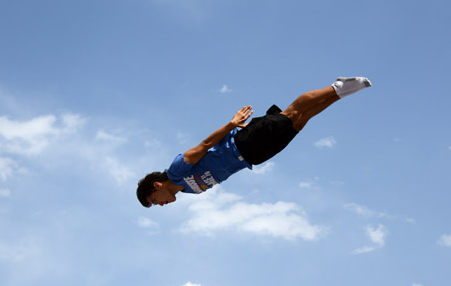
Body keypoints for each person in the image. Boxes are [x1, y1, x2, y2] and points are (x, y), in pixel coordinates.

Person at [137, 77, 371, 207]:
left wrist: (232, 124)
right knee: (300, 123)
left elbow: (205, 145)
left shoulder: (177, 171)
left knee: (291, 114)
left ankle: (335, 87)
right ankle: (339, 94)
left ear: (157, 186)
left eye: (155, 200)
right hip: (253, 158)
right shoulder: (190, 191)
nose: (161, 204)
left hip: (242, 143)